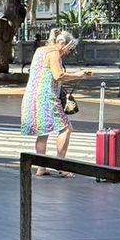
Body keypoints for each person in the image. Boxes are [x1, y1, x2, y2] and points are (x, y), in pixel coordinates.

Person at [20, 27, 90, 174]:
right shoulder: (54, 54)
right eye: (69, 49)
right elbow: (58, 75)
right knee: (66, 128)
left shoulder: (40, 51)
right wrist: (79, 74)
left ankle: (41, 167)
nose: (68, 52)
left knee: (42, 131)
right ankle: (60, 166)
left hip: (32, 96)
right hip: (47, 98)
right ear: (64, 44)